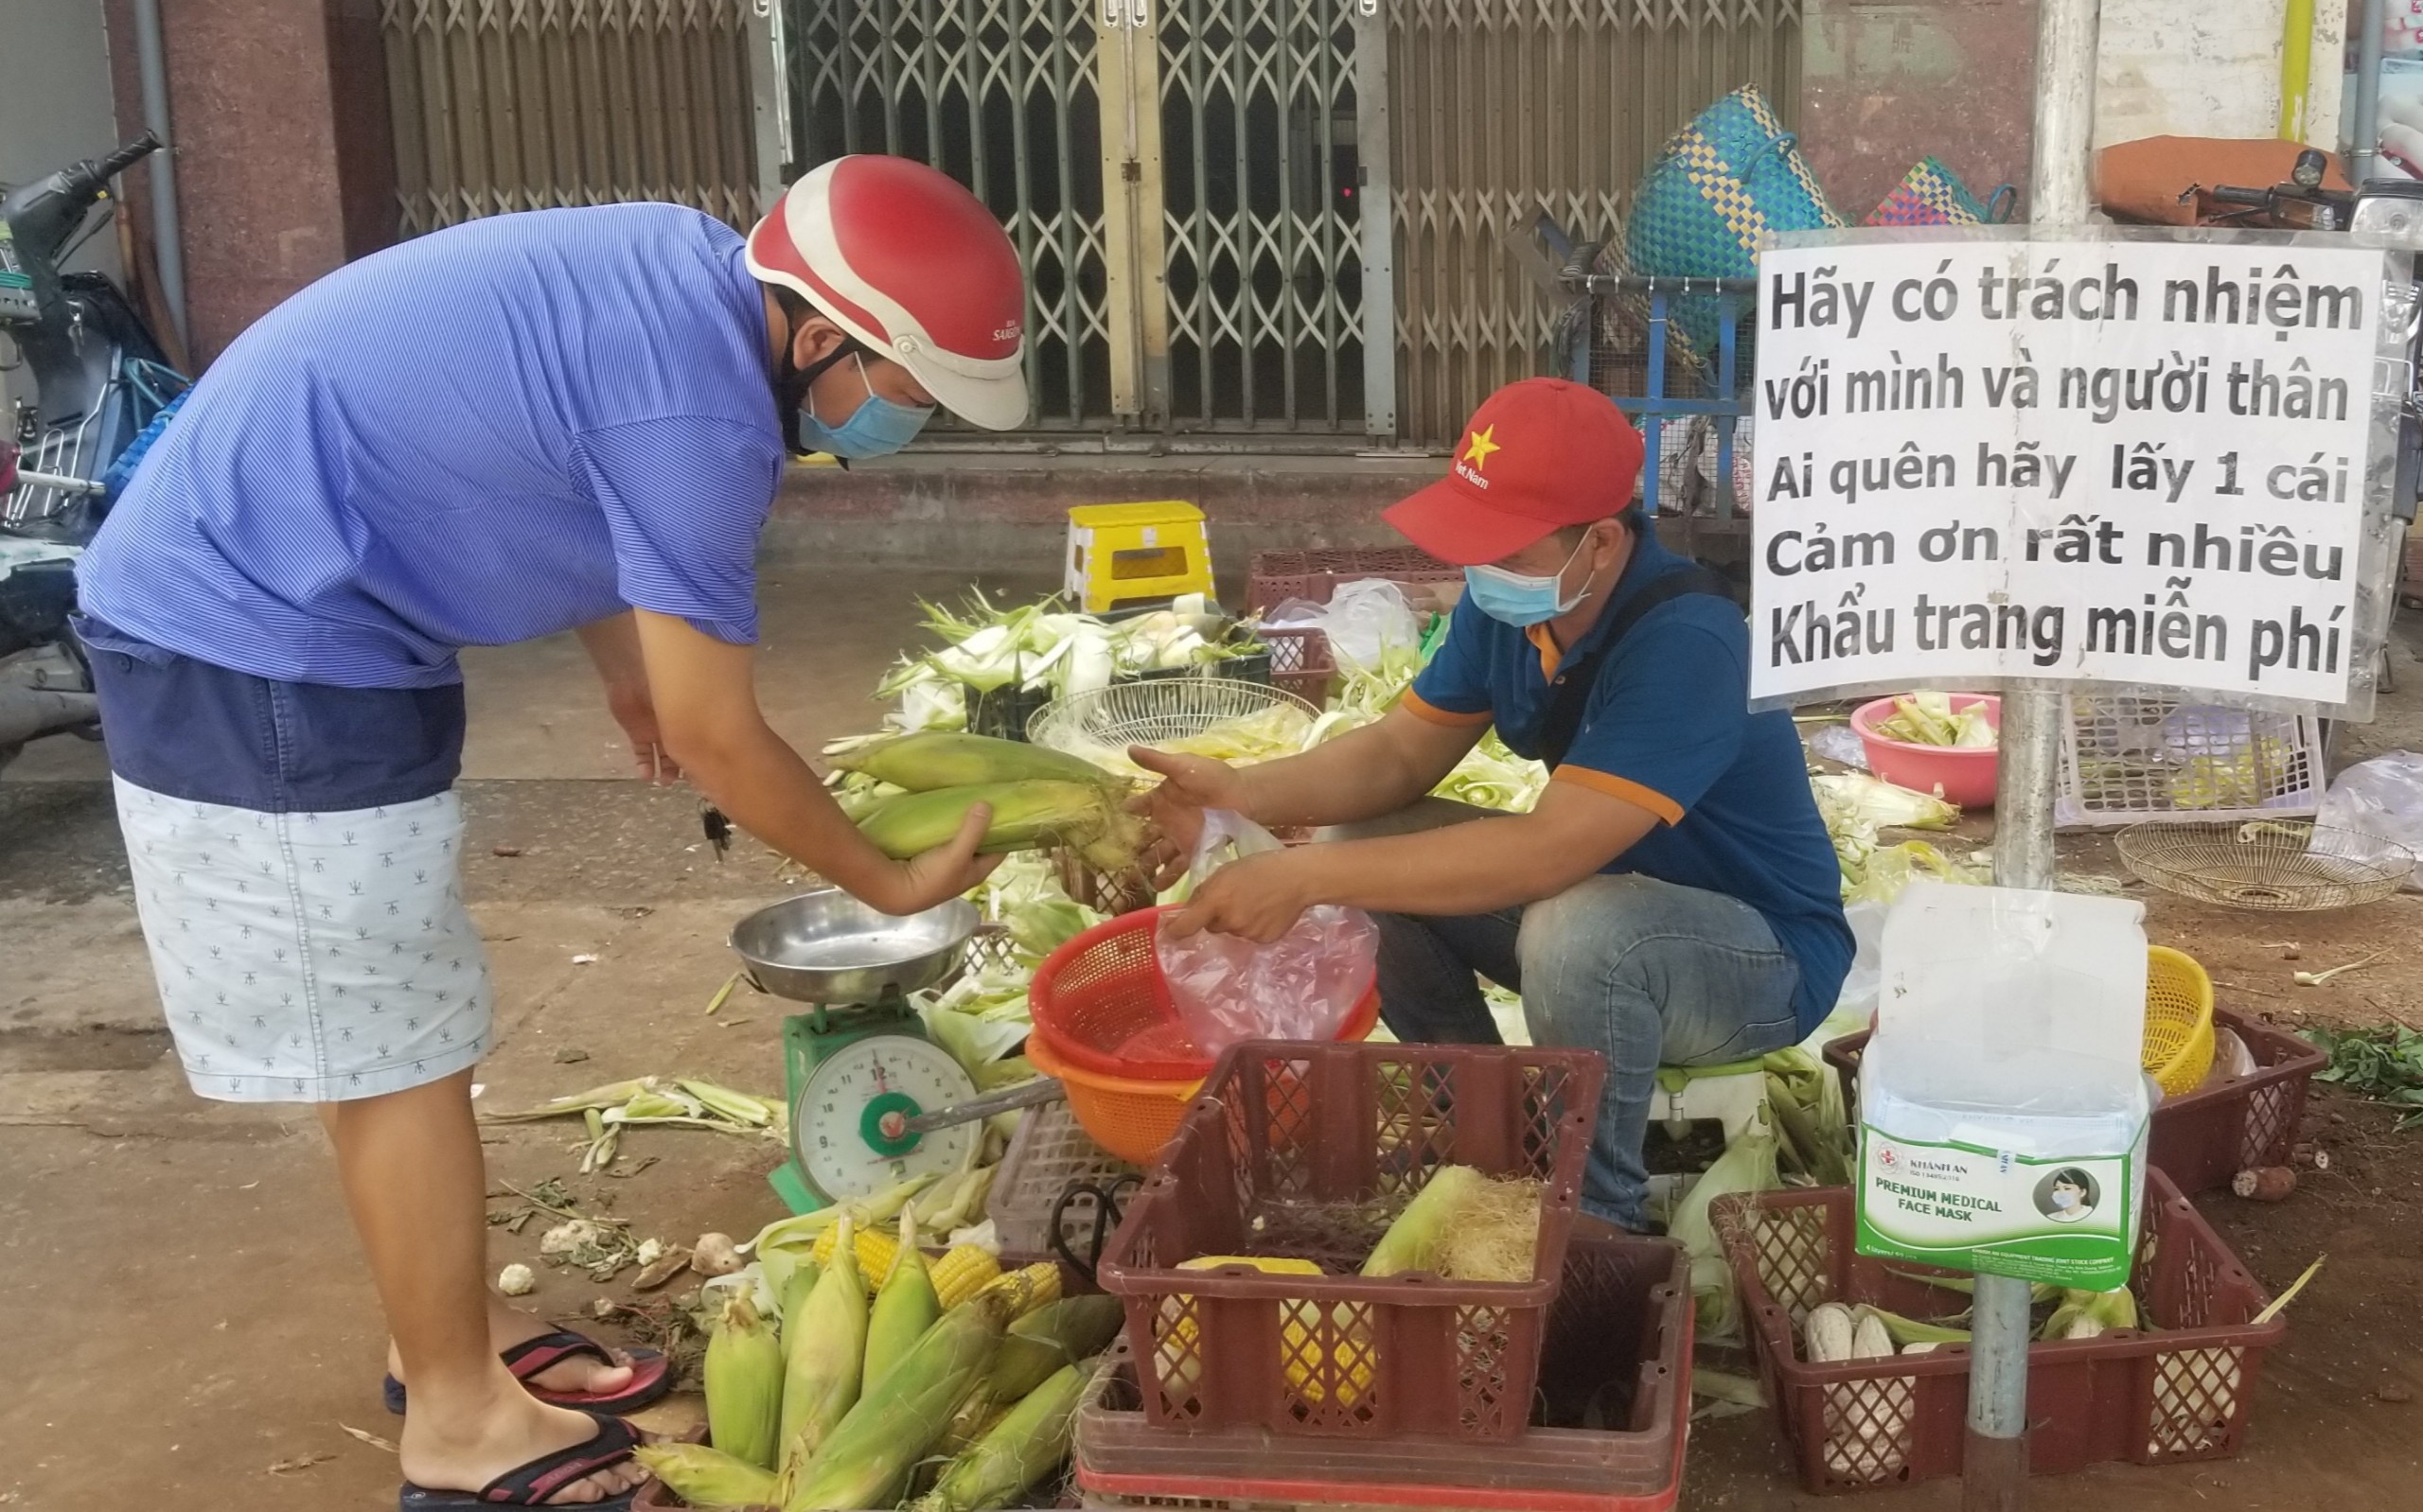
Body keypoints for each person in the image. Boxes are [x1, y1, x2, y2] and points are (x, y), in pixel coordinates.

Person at [71, 155, 1026, 1509]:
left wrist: (622, 659)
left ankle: (442, 1336)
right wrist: (888, 878)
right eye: (907, 391)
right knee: (397, 1052)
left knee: (393, 1030)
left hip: (298, 607)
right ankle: (460, 1427)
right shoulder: (704, 417)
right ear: (821, 336)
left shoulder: (687, 273)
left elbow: (549, 449)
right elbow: (721, 734)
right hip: (257, 635)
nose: (904, 422)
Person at [1136, 378, 1851, 1231]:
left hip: (1756, 957)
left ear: (1601, 544)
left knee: (1580, 933)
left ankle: (1595, 1224)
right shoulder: (1509, 608)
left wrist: (1302, 875)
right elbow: (1398, 755)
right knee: (1361, 840)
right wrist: (1241, 790)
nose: (1482, 573)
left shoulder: (1690, 641)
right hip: (1602, 907)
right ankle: (1487, 1131)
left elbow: (1550, 853)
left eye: (1508, 552)